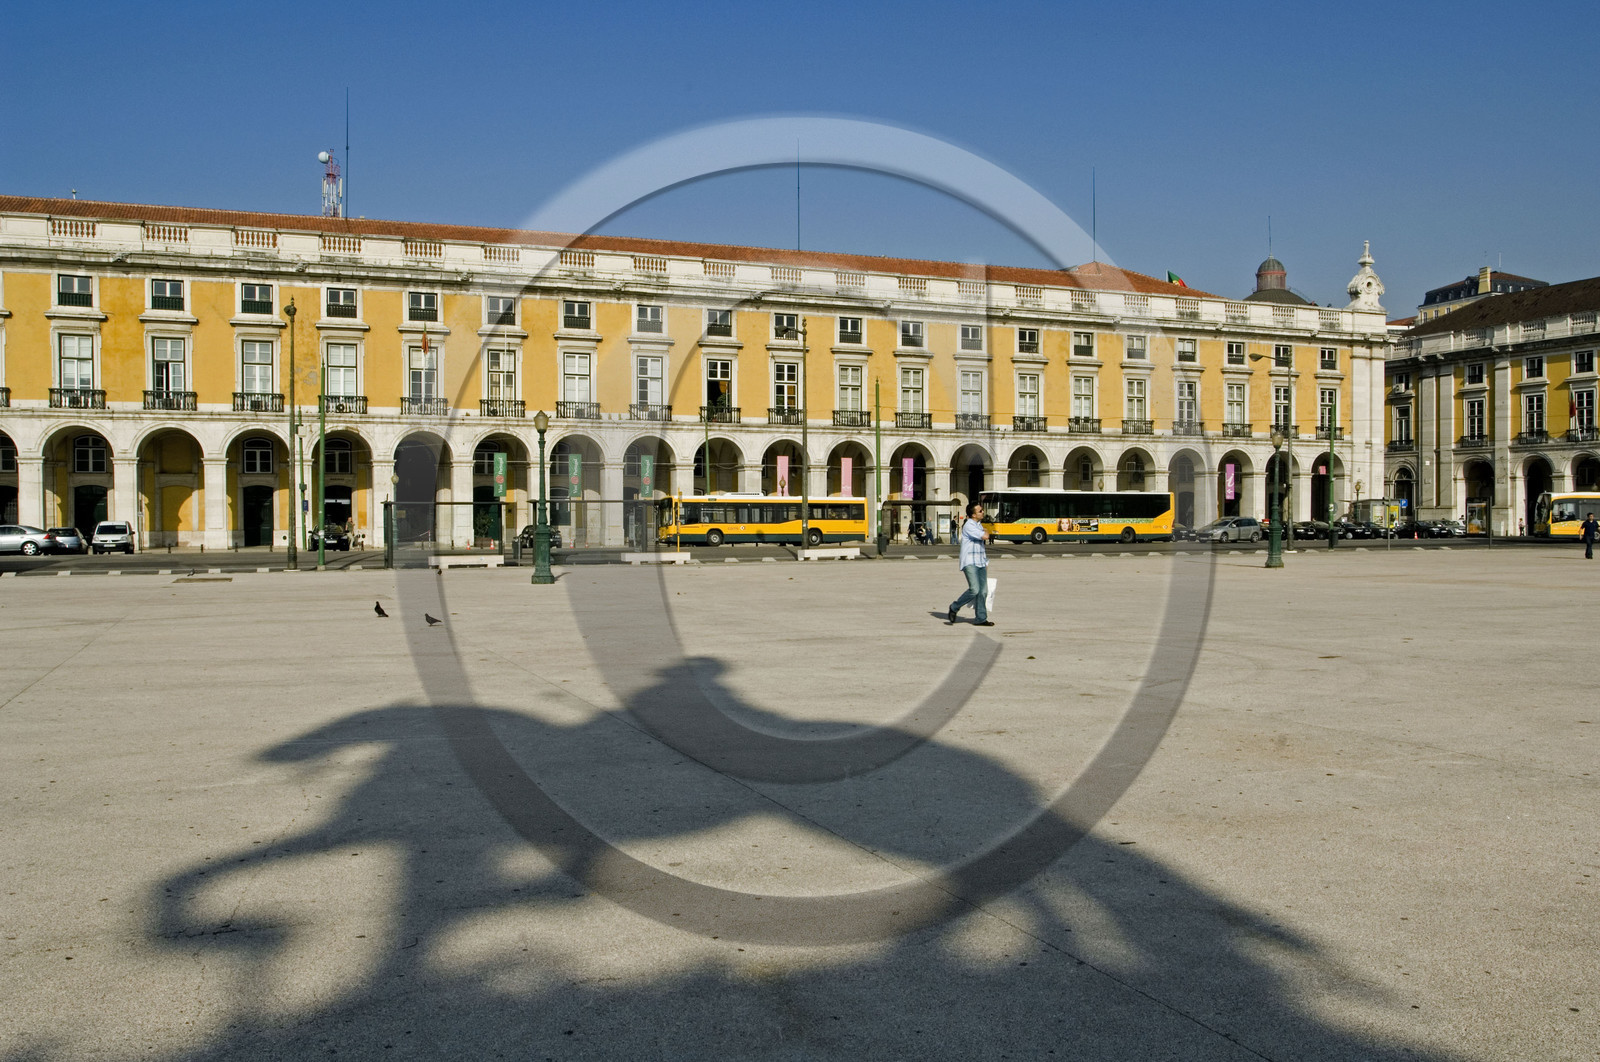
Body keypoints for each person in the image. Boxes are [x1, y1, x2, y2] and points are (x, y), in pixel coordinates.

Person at [947, 501, 993, 626]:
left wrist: (986, 562)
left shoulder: (979, 525)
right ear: (973, 515)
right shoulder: (969, 525)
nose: (982, 512)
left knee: (983, 591)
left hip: (981, 562)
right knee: (974, 589)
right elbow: (985, 537)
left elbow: (981, 545)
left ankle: (981, 618)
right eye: (980, 511)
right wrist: (986, 531)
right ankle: (954, 607)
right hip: (970, 562)